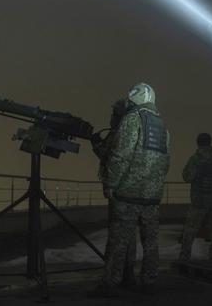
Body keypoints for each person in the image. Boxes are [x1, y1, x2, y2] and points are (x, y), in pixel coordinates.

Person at [90, 83, 170, 297]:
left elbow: (120, 156)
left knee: (119, 241)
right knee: (151, 243)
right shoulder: (162, 126)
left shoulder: (132, 120)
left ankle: (111, 285)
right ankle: (149, 283)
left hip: (128, 195)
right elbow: (165, 163)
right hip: (152, 197)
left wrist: (111, 184)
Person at [90, 98, 137, 287]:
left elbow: (109, 157)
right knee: (130, 234)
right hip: (132, 191)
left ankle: (111, 280)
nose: (110, 118)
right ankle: (128, 274)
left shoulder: (119, 134)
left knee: (116, 235)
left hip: (119, 192)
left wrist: (95, 143)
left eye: (113, 114)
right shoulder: (134, 132)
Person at [179, 133, 212, 261]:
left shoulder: (197, 158)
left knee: (190, 231)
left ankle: (184, 258)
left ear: (198, 143)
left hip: (199, 202)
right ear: (210, 142)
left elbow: (186, 177)